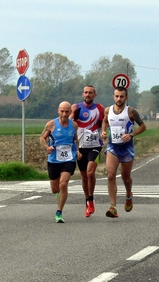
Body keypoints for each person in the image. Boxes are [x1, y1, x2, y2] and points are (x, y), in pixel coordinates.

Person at [101, 87, 146, 218]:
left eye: (121, 96)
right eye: (116, 96)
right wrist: (103, 131)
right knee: (110, 175)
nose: (119, 99)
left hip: (127, 149)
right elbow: (104, 121)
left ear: (126, 97)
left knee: (125, 177)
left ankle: (128, 195)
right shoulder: (108, 110)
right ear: (113, 96)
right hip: (113, 147)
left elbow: (143, 126)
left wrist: (131, 134)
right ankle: (113, 207)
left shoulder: (131, 112)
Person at [39, 101, 81, 223]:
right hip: (54, 159)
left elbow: (75, 139)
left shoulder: (74, 125)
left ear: (70, 112)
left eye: (67, 111)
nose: (64, 114)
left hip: (69, 158)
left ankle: (59, 212)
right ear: (58, 111)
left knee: (64, 184)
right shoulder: (51, 124)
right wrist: (47, 147)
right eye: (62, 111)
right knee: (54, 189)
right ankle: (59, 194)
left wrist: (78, 151)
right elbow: (42, 138)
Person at [70, 85, 104, 218]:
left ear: (95, 95)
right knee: (84, 176)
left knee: (90, 172)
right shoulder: (76, 107)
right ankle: (88, 201)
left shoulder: (99, 108)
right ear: (82, 94)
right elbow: (70, 121)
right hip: (81, 146)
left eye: (90, 93)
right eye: (86, 92)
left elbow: (103, 124)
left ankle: (91, 197)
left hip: (95, 144)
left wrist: (104, 132)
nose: (88, 95)